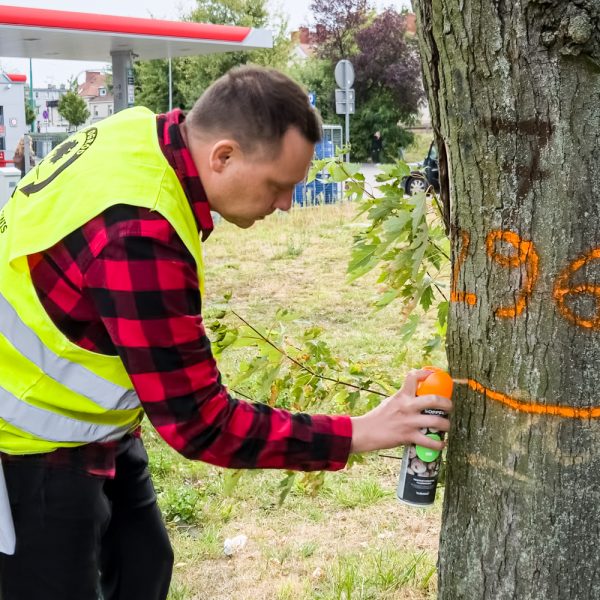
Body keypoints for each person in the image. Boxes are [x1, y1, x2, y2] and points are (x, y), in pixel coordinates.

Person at [0, 66, 452, 600]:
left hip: (99, 427)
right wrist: (360, 432)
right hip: (31, 448)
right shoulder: (139, 231)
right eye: (278, 186)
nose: (285, 204)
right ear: (224, 156)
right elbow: (201, 424)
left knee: (144, 564)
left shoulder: (139, 133)